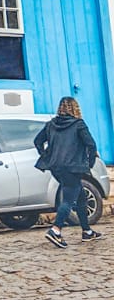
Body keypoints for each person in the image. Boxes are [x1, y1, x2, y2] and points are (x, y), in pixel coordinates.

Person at [35, 97, 101, 248]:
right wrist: (89, 164)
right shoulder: (78, 124)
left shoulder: (51, 125)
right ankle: (56, 230)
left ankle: (87, 232)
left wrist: (46, 156)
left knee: (81, 196)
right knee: (68, 200)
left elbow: (37, 141)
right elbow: (91, 145)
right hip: (73, 168)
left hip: (56, 168)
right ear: (75, 108)